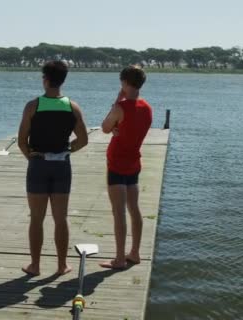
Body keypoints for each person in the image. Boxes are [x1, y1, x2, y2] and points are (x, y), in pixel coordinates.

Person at [17, 60, 88, 276]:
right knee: (60, 218)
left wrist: (32, 156)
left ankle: (35, 266)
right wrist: (67, 150)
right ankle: (61, 265)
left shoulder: (33, 106)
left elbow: (21, 140)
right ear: (62, 80)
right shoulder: (71, 107)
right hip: (61, 167)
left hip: (38, 165)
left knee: (36, 218)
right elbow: (83, 140)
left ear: (45, 80)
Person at [100, 65, 152, 269]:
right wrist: (117, 125)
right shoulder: (147, 107)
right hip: (134, 162)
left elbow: (105, 127)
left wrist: (117, 102)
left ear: (124, 82)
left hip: (116, 164)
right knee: (134, 209)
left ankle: (120, 258)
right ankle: (135, 253)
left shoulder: (120, 107)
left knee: (118, 212)